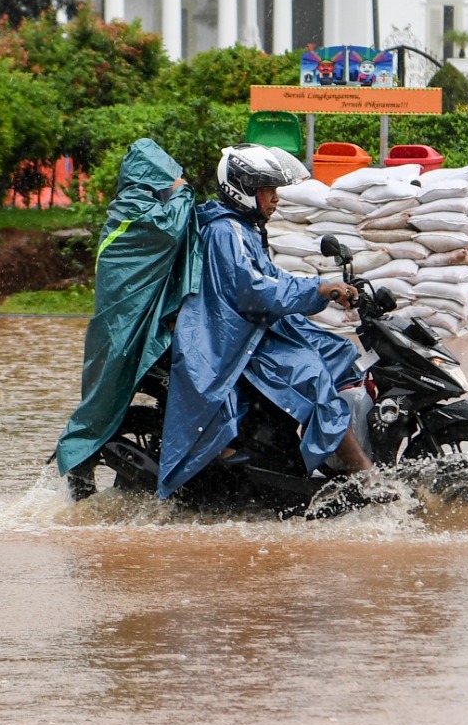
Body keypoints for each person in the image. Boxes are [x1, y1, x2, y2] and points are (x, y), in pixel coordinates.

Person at [156, 144, 380, 499]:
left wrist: (322, 289)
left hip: (251, 325)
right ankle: (364, 475)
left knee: (338, 351)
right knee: (312, 376)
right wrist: (319, 289)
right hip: (230, 337)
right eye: (268, 191)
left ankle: (321, 451)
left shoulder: (243, 228)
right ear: (243, 191)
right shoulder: (226, 231)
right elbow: (256, 292)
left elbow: (269, 278)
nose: (276, 199)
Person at [53, 139, 199, 492]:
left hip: (120, 327)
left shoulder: (128, 210)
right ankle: (80, 464)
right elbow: (170, 228)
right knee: (104, 401)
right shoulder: (136, 210)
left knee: (103, 401)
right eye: (168, 178)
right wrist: (184, 191)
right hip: (122, 330)